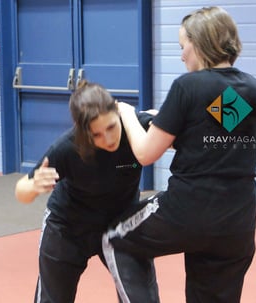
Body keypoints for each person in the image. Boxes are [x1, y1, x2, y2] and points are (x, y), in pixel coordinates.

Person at [102, 6, 256, 303]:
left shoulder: (187, 86)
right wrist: (166, 122)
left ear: (201, 42)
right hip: (238, 222)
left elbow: (145, 153)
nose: (181, 56)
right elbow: (213, 141)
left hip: (189, 210)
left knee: (115, 237)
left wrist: (125, 112)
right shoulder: (253, 89)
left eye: (183, 47)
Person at [15, 80, 159, 303]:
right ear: (83, 132)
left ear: (117, 111)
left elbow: (174, 130)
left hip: (119, 226)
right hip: (68, 229)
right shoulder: (66, 148)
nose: (108, 139)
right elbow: (21, 190)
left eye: (111, 127)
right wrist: (33, 187)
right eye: (97, 135)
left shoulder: (135, 125)